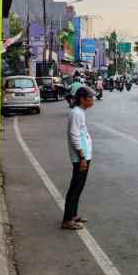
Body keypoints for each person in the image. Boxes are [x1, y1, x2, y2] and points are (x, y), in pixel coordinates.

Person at [62, 86, 95, 231]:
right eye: (90, 98)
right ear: (82, 99)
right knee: (75, 188)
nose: (92, 100)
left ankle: (73, 215)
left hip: (84, 155)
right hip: (80, 157)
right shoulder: (76, 113)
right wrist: (81, 157)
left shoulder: (80, 112)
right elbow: (74, 136)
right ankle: (67, 220)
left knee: (79, 187)